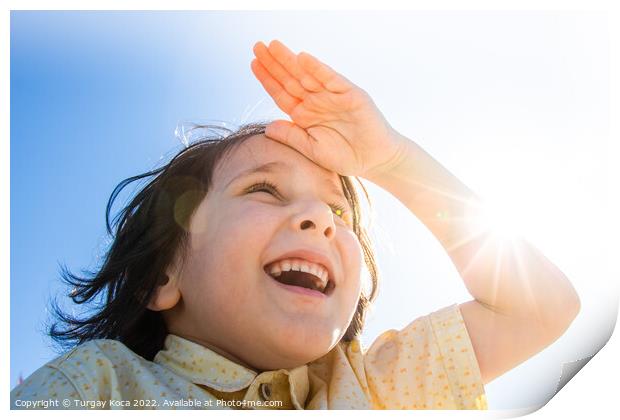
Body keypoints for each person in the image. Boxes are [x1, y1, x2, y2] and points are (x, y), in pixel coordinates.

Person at [10, 40, 580, 410]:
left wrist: (393, 161)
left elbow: (540, 308)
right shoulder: (97, 387)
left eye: (339, 210)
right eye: (263, 189)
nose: (319, 220)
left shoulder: (373, 387)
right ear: (163, 275)